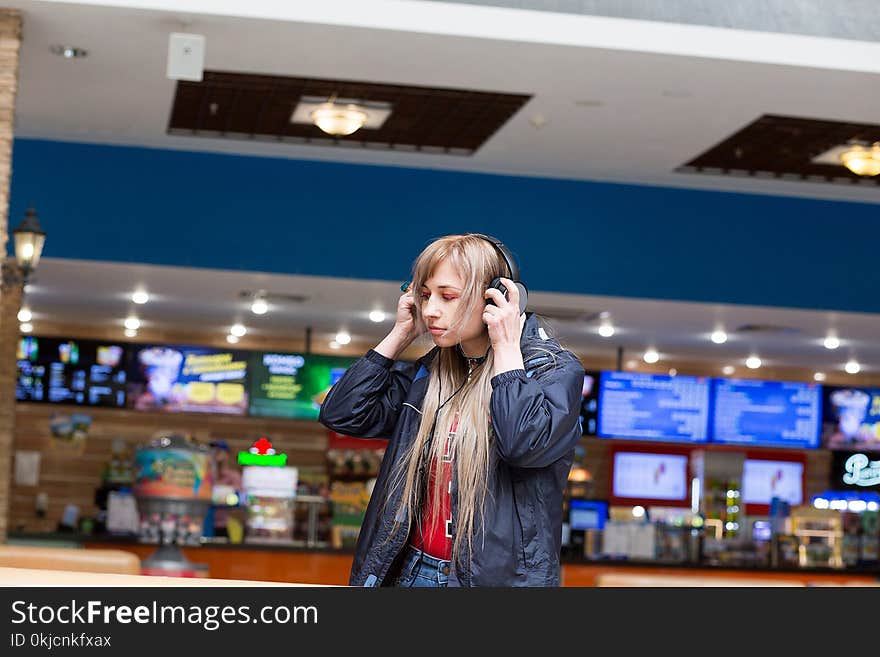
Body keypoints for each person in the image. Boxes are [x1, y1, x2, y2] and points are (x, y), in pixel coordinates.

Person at [319, 233, 585, 587]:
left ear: (497, 297)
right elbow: (342, 413)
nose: (430, 310)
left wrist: (506, 347)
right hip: (411, 571)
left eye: (448, 296)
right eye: (425, 295)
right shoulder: (429, 373)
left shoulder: (552, 371)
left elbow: (523, 445)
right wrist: (400, 334)